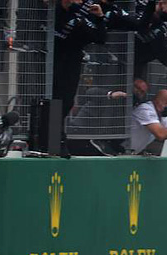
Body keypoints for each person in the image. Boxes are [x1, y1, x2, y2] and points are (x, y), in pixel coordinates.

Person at [53, 0, 107, 154]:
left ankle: (59, 138)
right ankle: (47, 138)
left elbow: (100, 38)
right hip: (51, 62)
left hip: (71, 64)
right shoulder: (56, 10)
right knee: (52, 101)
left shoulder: (83, 17)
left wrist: (100, 17)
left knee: (67, 101)